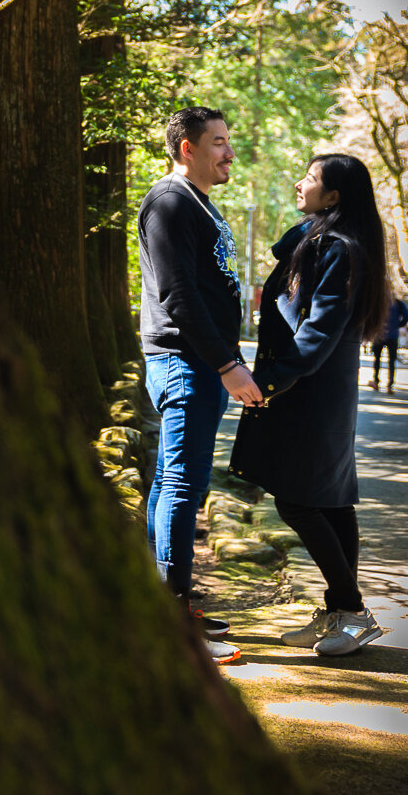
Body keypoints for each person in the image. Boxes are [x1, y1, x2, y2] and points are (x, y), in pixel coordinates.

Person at [229, 153, 393, 657]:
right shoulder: (322, 243)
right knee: (330, 499)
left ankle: (352, 609)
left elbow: (317, 332)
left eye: (311, 179)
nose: (300, 183)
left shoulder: (340, 250)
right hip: (315, 388)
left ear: (335, 196)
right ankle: (341, 612)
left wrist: (267, 383)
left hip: (310, 391)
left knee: (299, 499)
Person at [136, 107, 263, 665]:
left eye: (228, 141)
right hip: (185, 363)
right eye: (218, 142)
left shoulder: (196, 204)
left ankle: (167, 605)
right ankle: (173, 620)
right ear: (186, 147)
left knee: (172, 481)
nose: (229, 152)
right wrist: (227, 364)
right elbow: (178, 296)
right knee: (182, 485)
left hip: (197, 364)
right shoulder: (168, 202)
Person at [369, 295, 408, 393]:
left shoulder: (377, 301)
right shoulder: (398, 303)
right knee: (391, 361)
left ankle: (376, 381)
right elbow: (406, 316)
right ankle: (390, 384)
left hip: (379, 334)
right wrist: (398, 324)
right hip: (393, 335)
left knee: (377, 359)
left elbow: (370, 315)